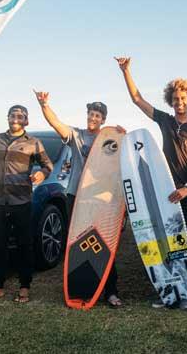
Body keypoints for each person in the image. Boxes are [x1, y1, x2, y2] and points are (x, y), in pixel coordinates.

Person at [115, 56, 187, 310]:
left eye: (183, 98)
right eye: (175, 99)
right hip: (166, 194)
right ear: (171, 100)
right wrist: (127, 71)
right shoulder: (166, 121)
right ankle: (168, 292)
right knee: (166, 242)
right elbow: (137, 100)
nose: (179, 102)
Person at [32, 91, 124, 308]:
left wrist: (123, 136)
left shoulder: (110, 138)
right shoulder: (76, 135)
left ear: (103, 119)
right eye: (91, 114)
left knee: (104, 241)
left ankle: (111, 291)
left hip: (102, 197)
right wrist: (44, 105)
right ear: (87, 115)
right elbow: (56, 123)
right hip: (77, 195)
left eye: (98, 116)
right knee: (79, 242)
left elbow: (124, 157)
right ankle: (82, 287)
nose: (93, 118)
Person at [0, 105, 52, 303]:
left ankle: (25, 286)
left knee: (24, 245)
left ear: (26, 120)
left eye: (20, 116)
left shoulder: (33, 143)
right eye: (12, 115)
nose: (16, 118)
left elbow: (48, 165)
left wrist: (41, 173)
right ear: (8, 118)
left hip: (22, 200)